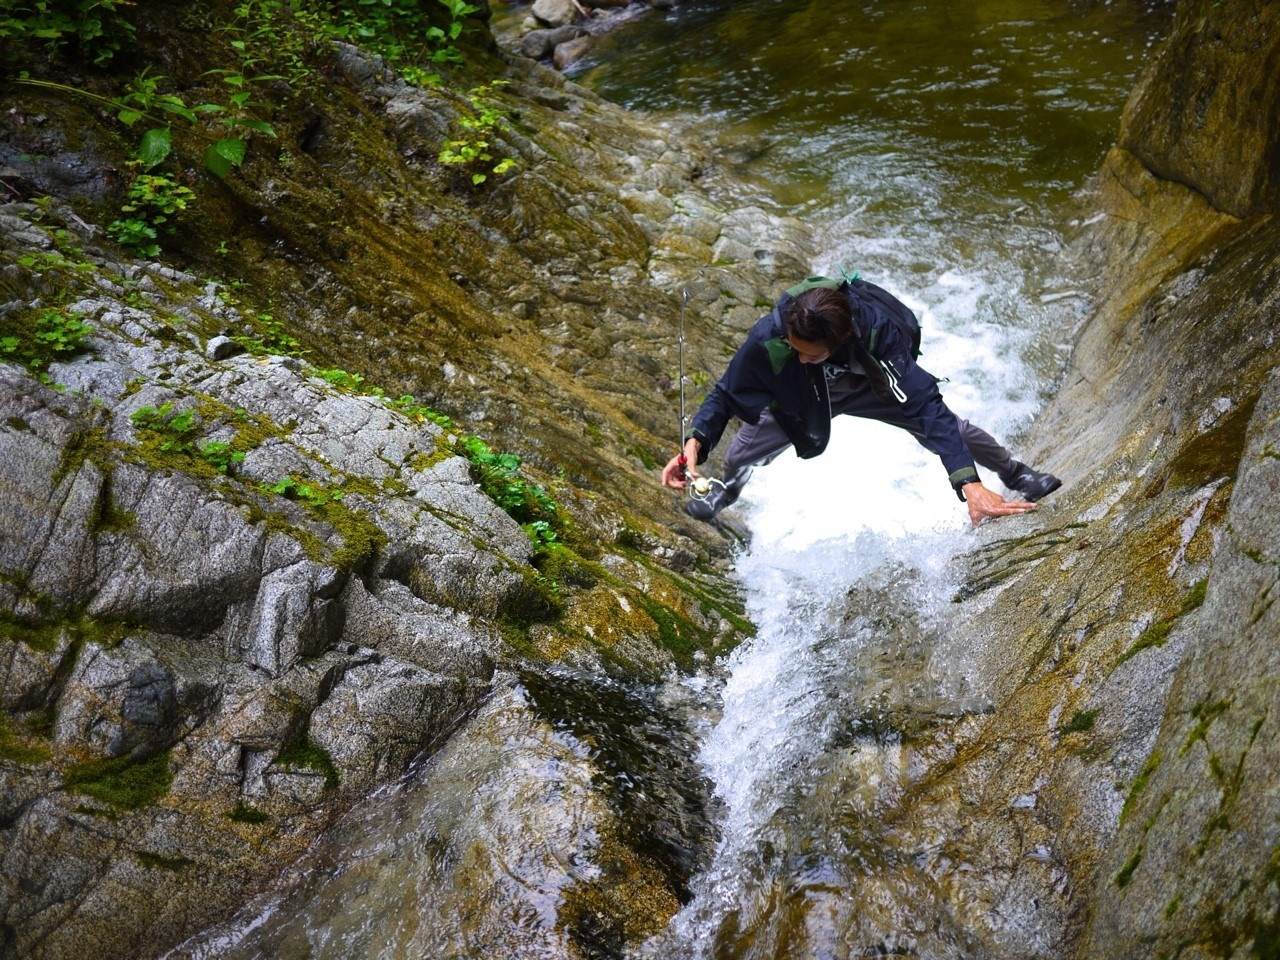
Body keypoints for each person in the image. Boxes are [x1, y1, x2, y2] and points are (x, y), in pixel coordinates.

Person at [660, 275, 1061, 527]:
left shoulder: (878, 333)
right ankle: (726, 490)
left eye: (810, 353)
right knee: (743, 451)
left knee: (953, 431)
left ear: (839, 341)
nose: (800, 355)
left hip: (868, 385)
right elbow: (727, 391)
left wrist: (968, 483)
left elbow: (927, 405)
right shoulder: (773, 335)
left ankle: (1015, 474)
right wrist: (696, 441)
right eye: (794, 348)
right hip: (799, 394)